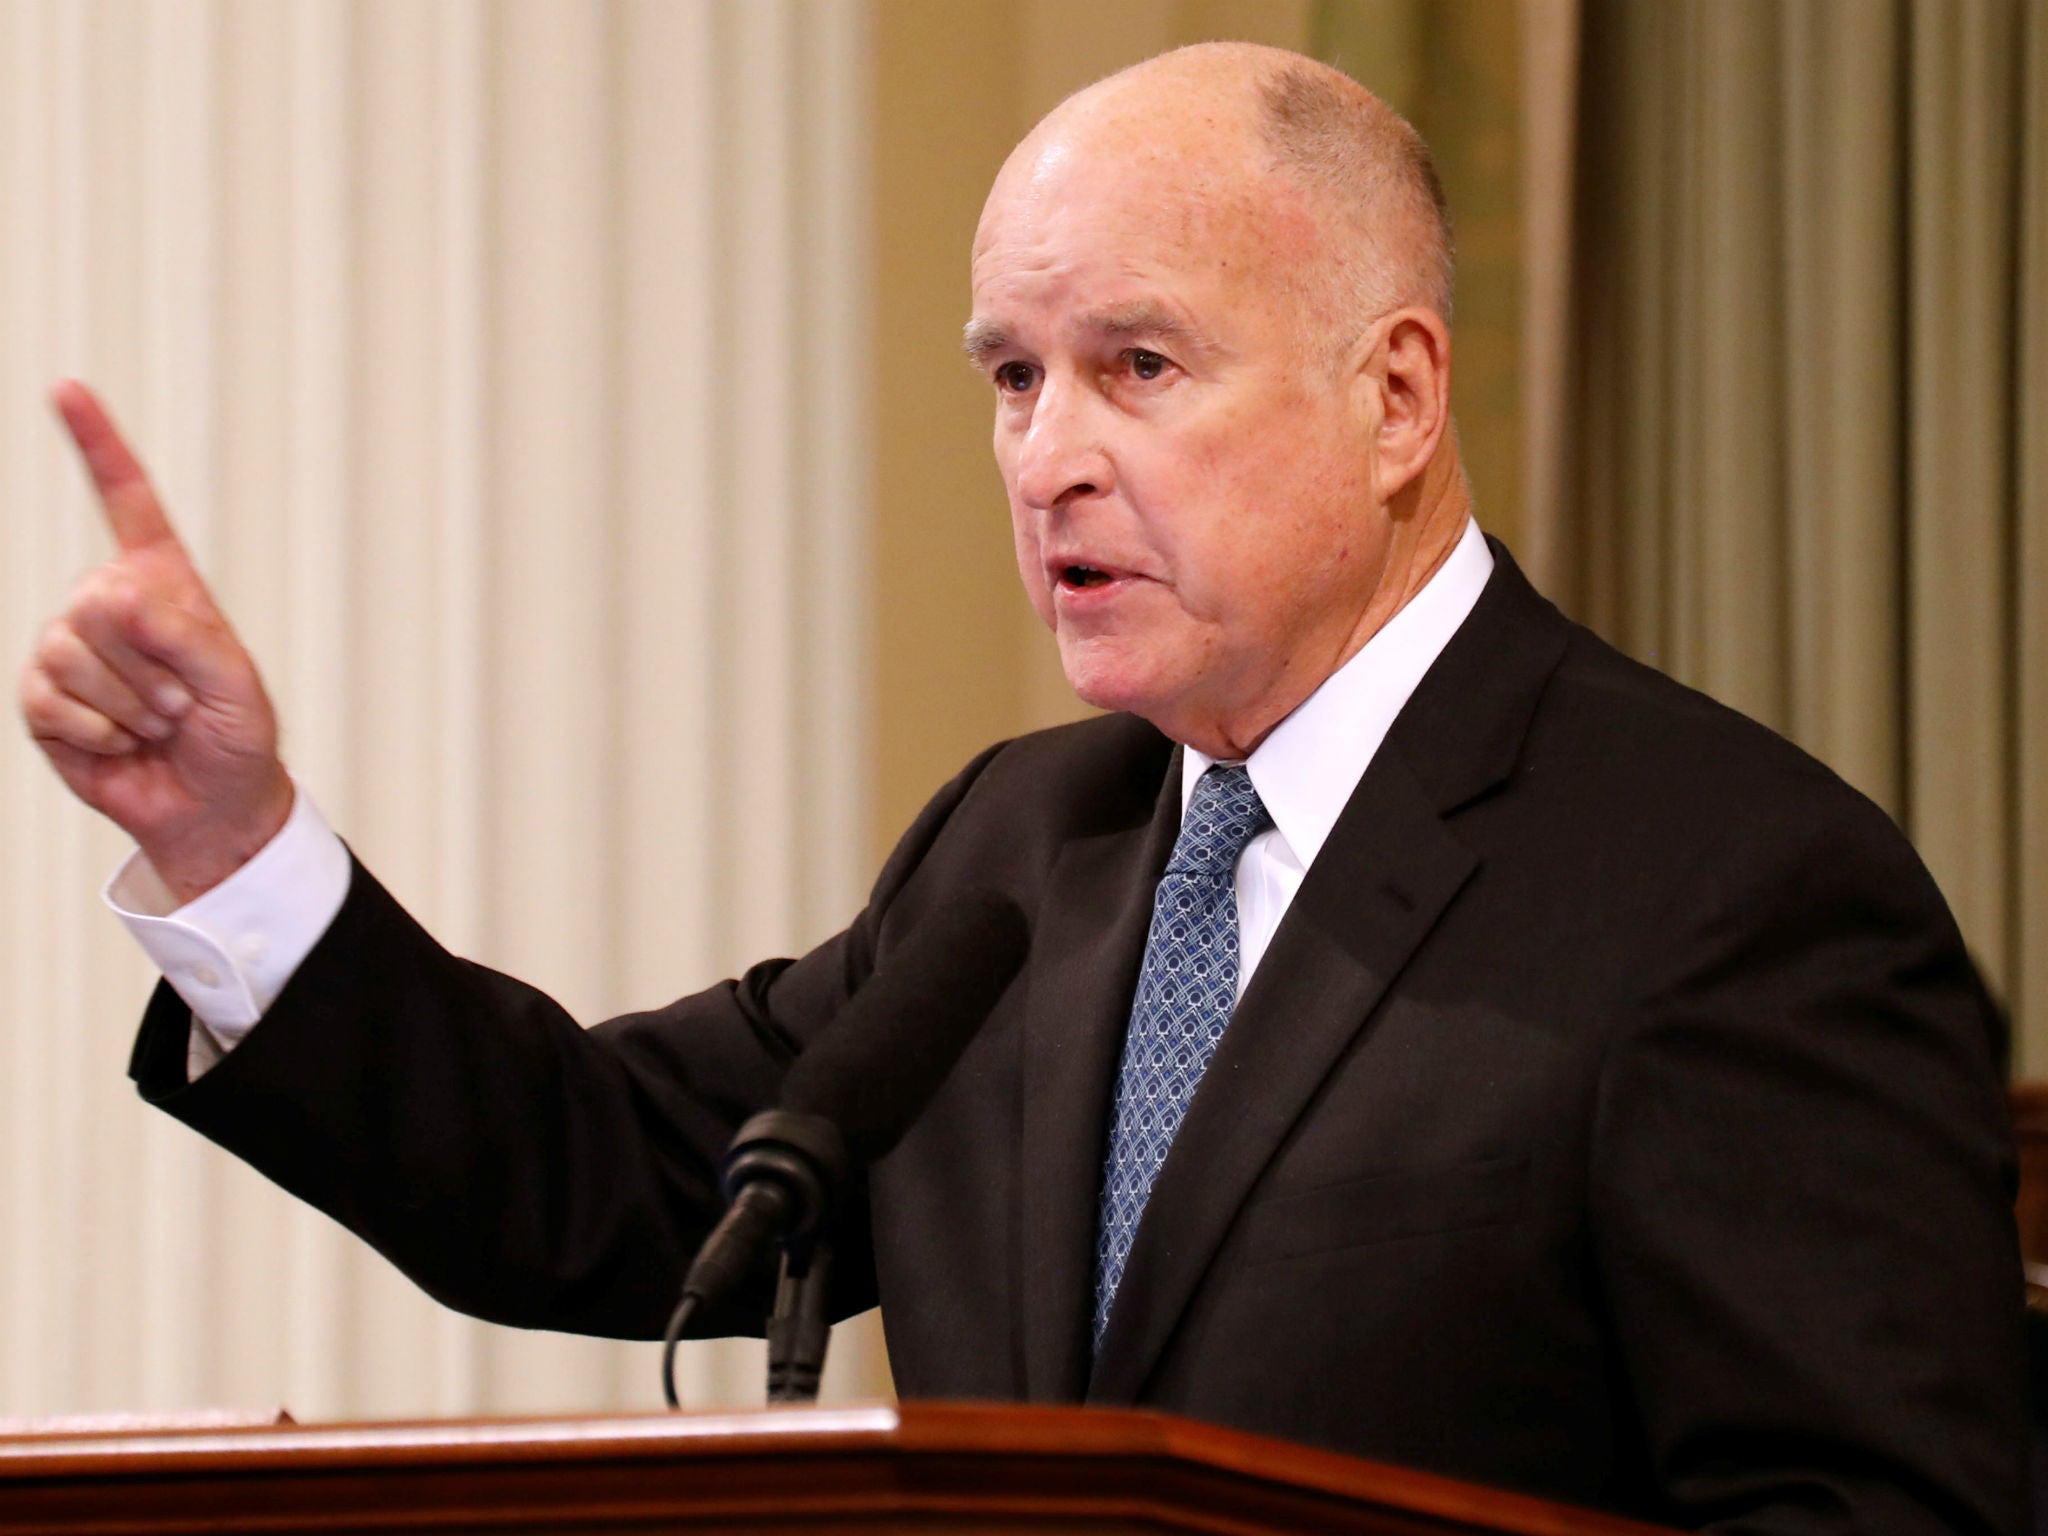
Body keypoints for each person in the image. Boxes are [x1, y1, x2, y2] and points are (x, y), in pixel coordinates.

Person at [17, 42, 2028, 1534]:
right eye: (1011, 375)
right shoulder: (1026, 848)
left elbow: (1876, 1520)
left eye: (1137, 366)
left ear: (1395, 393)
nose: (1047, 454)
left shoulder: (1728, 887)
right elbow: (600, 1182)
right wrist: (229, 845)